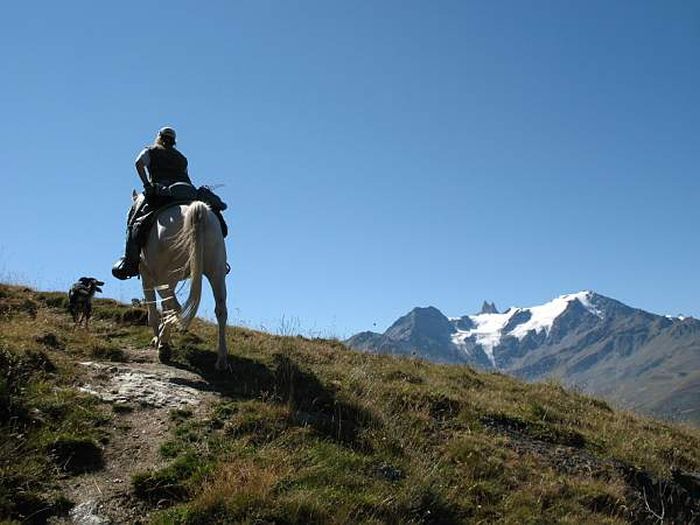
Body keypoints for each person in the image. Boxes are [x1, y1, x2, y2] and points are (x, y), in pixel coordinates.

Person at [111, 126, 193, 280]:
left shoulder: (151, 150)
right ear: (174, 141)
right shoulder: (182, 158)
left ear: (159, 137)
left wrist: (147, 185)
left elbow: (138, 163)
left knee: (134, 220)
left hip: (161, 191)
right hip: (185, 192)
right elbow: (187, 176)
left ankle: (130, 262)